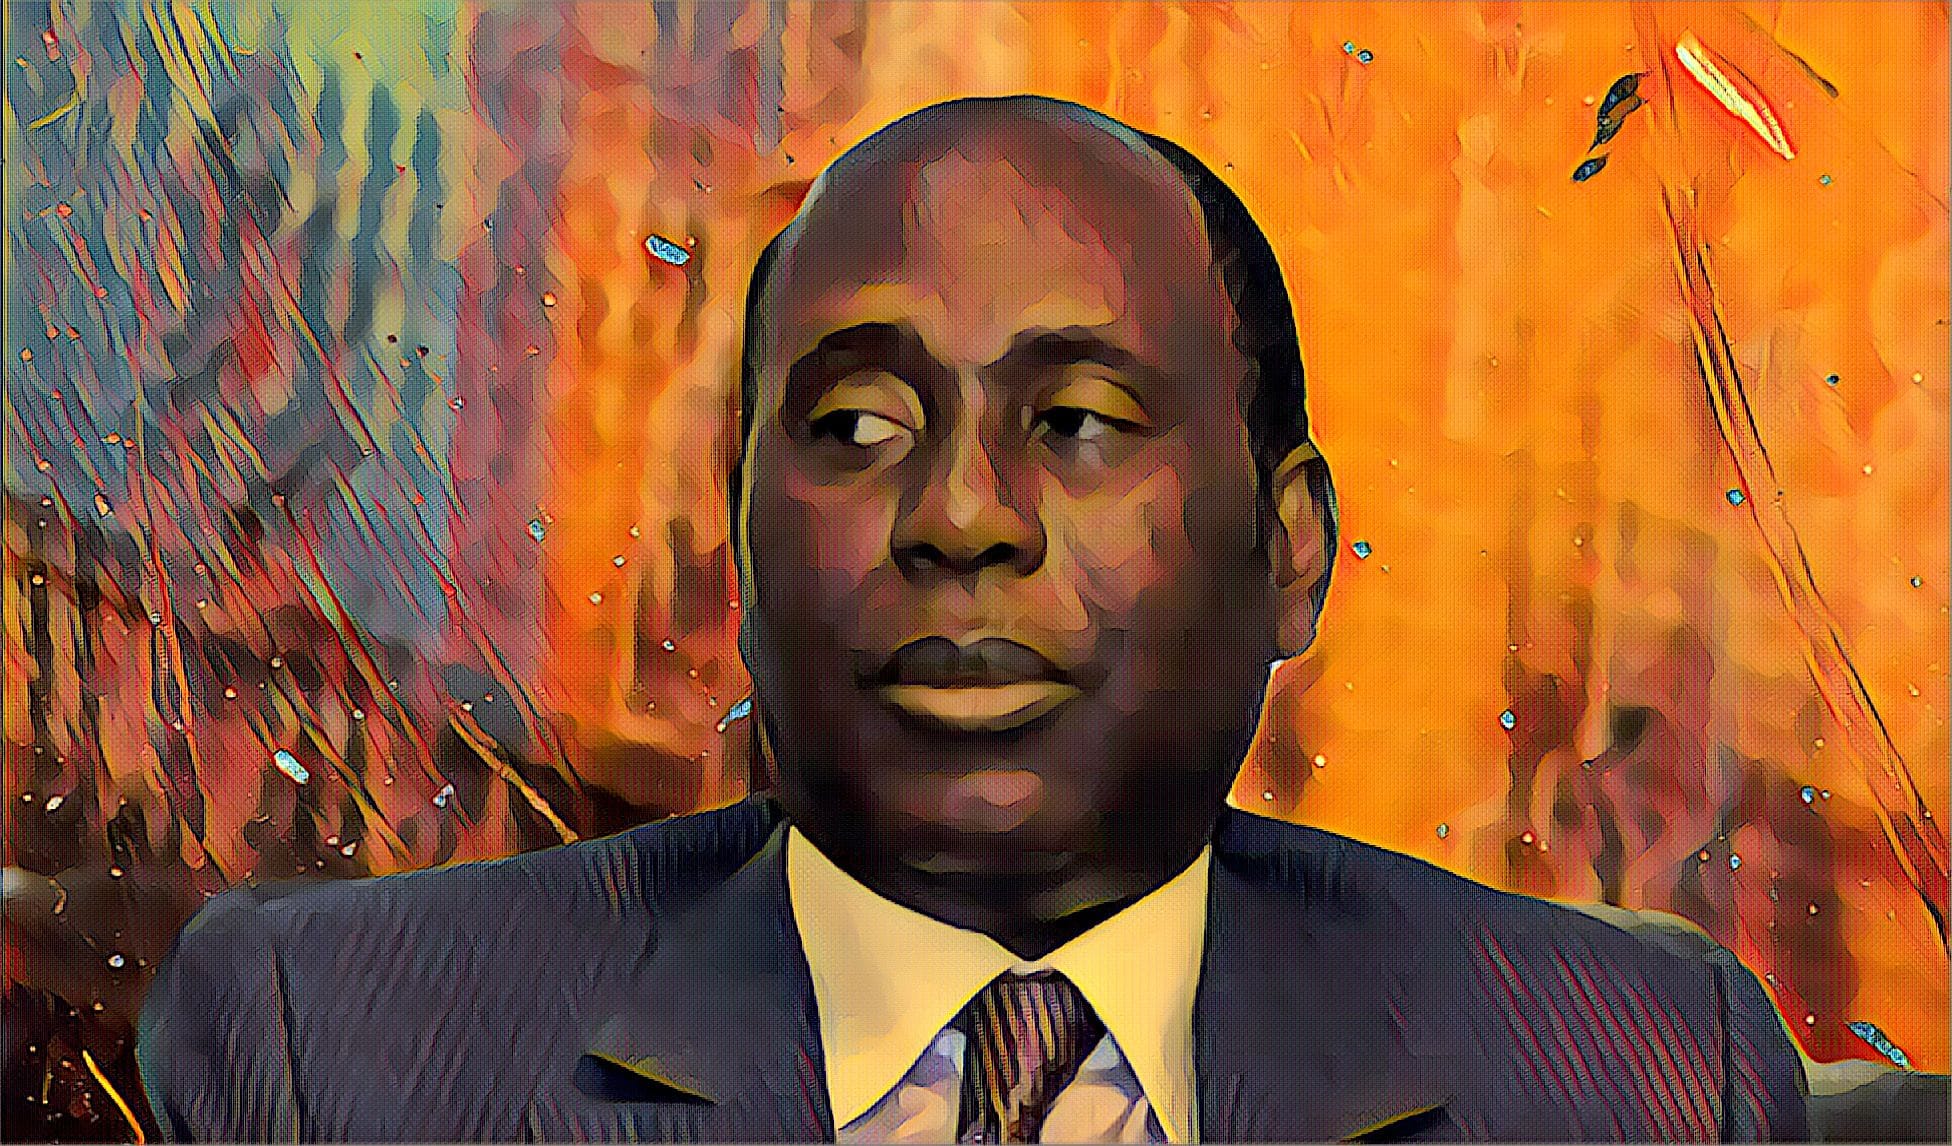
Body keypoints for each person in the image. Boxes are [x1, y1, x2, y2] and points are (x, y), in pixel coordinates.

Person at [137, 95, 1816, 1143]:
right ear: (737, 528)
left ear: (1293, 549)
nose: (959, 514)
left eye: (1077, 419)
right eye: (858, 423)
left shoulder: (1641, 1080)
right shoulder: (331, 1051)